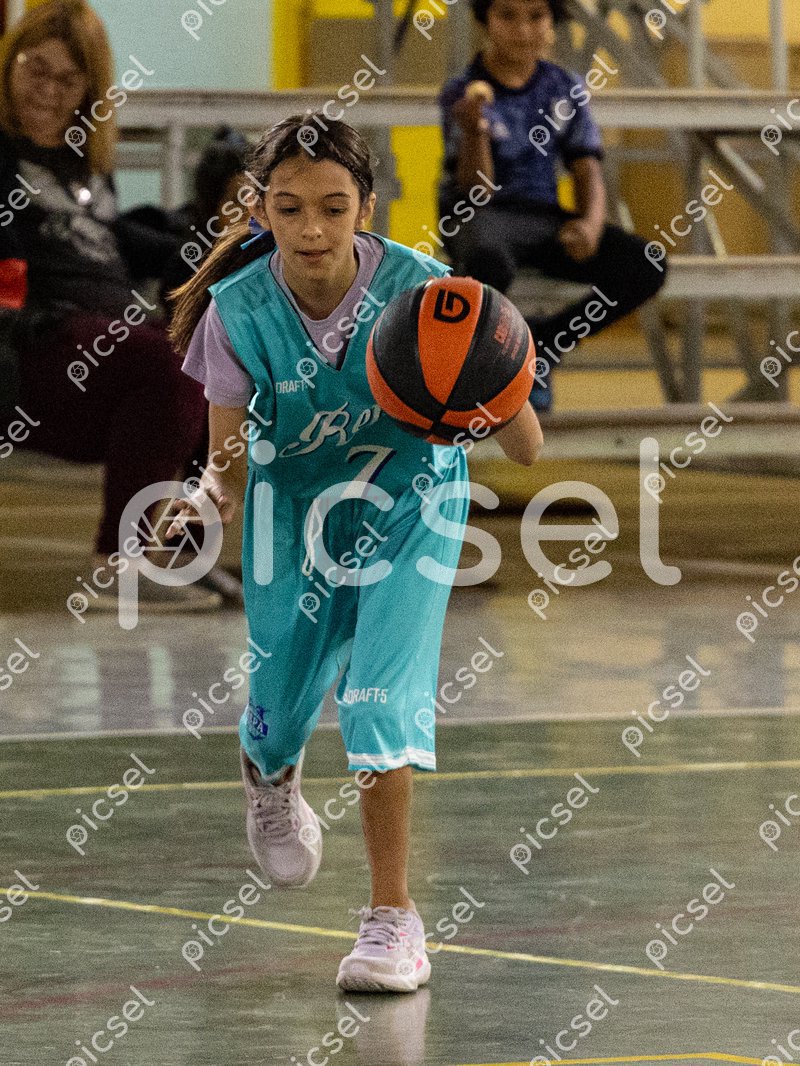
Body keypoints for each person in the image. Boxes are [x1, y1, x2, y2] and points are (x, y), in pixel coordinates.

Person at [167, 115, 543, 992]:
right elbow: (226, 468)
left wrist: (490, 373)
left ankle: (392, 921)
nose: (312, 230)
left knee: (377, 699)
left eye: (334, 208)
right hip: (293, 513)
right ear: (260, 209)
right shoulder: (237, 312)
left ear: (366, 208)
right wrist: (200, 502)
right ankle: (269, 771)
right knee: (279, 708)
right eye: (290, 208)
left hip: (412, 506)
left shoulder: (427, 293)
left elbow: (526, 448)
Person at [0, 0, 217, 611]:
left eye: (67, 80)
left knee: (223, 352)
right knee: (168, 362)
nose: (47, 91)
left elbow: (113, 243)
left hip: (106, 344)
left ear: (87, 91)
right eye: (35, 69)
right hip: (33, 347)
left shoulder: (86, 168)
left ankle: (180, 553)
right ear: (9, 63)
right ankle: (118, 563)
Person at [438, 0, 667, 411]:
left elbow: (586, 166)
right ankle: (502, 368)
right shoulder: (461, 91)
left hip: (541, 217)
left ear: (552, 21)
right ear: (485, 19)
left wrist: (590, 224)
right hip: (477, 215)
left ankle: (543, 344)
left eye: (536, 16)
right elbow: (477, 191)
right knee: (487, 264)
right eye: (507, 15)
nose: (523, 30)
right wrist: (474, 132)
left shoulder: (564, 87)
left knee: (647, 264)